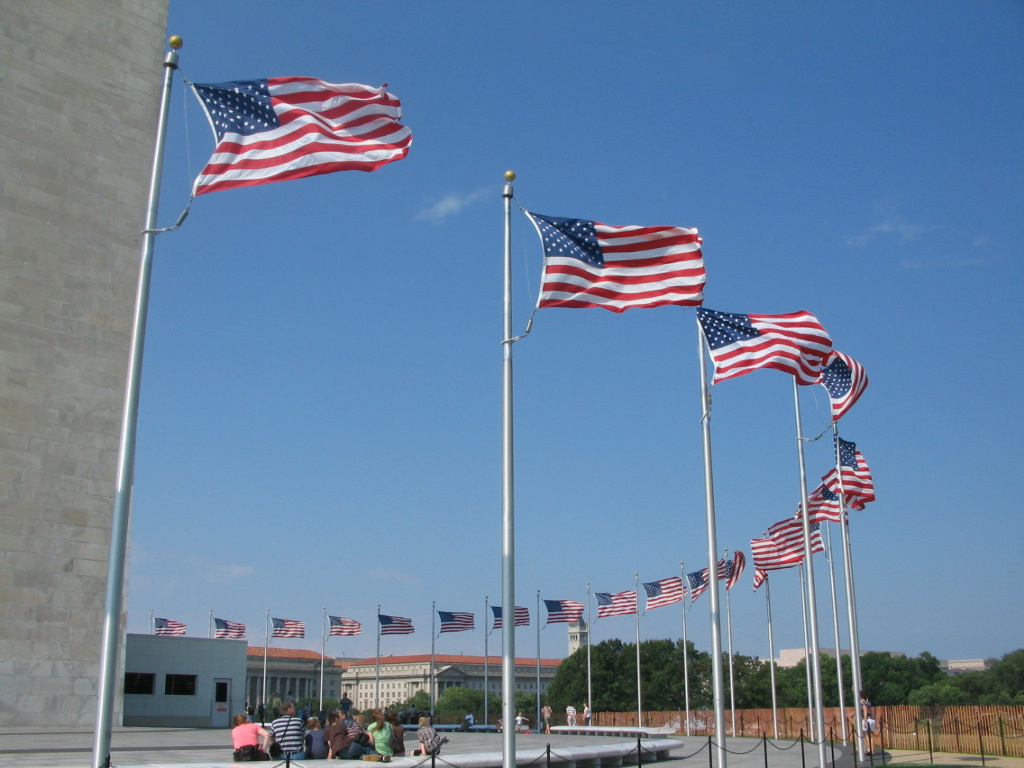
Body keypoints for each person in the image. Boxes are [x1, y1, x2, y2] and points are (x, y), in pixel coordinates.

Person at [859, 690, 876, 756]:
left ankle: (869, 749)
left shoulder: (862, 702)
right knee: (871, 735)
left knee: (865, 734)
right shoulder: (868, 702)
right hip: (872, 719)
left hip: (867, 719)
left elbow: (865, 711)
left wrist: (865, 720)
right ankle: (873, 750)